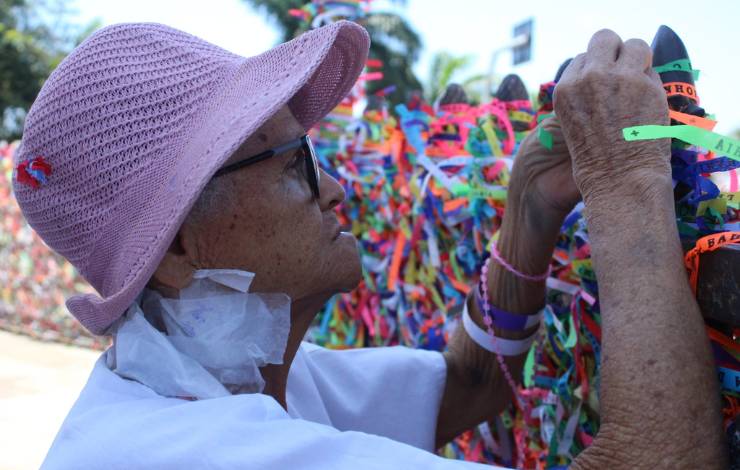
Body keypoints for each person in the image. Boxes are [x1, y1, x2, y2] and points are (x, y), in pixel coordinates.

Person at [12, 21, 724, 469]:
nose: (335, 189)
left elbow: (468, 385)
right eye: (294, 162)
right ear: (176, 246)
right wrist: (627, 179)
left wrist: (530, 210)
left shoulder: (233, 374)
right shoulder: (192, 455)